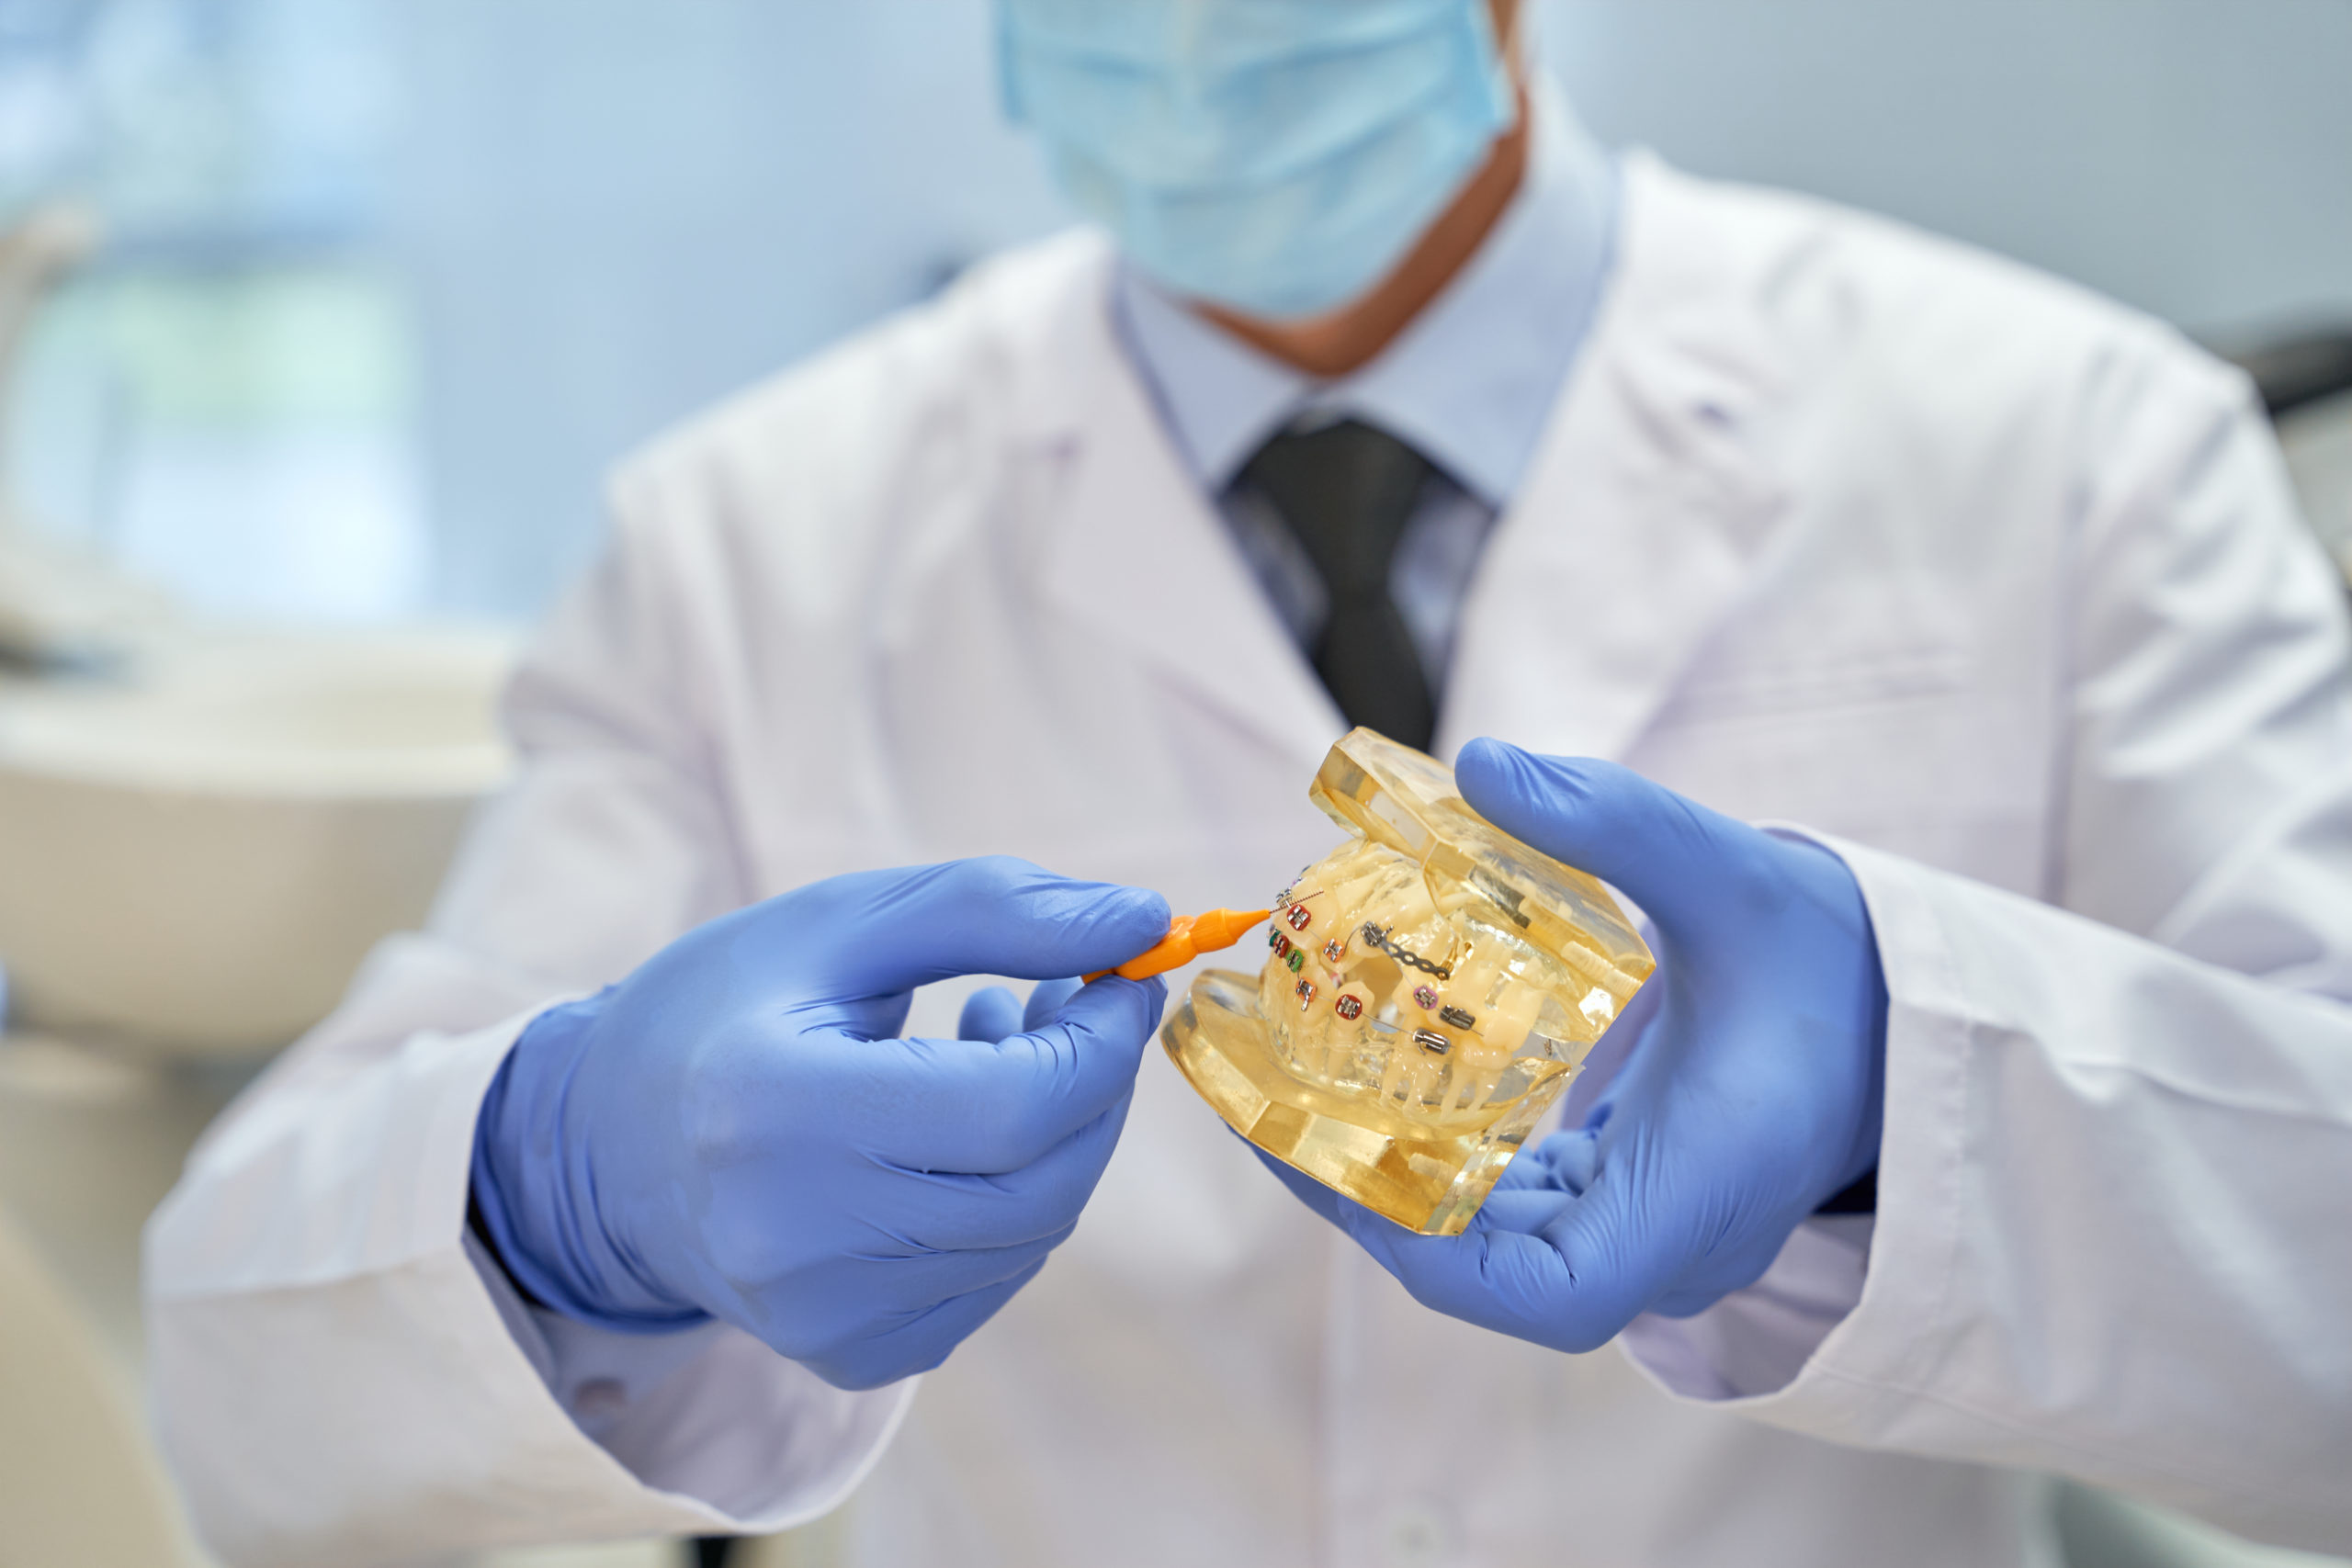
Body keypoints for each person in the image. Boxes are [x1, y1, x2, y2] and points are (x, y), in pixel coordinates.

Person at [146, 1, 2352, 1563]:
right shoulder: (746, 539)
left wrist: (1905, 1096)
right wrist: (558, 1195)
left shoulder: (2069, 442)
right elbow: (245, 1400)